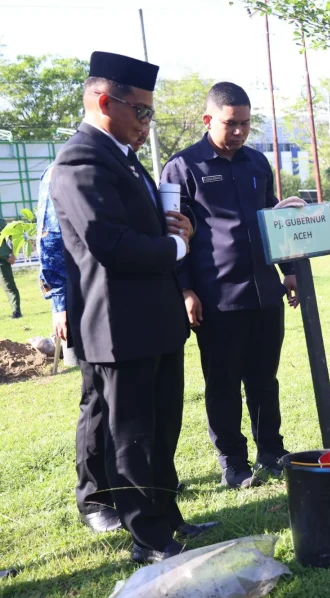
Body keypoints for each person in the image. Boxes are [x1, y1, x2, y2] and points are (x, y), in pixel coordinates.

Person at [50, 51, 214, 564]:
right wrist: (176, 249)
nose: (147, 122)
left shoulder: (122, 156)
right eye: (141, 111)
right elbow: (111, 244)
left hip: (156, 320)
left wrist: (179, 228)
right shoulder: (79, 162)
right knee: (134, 438)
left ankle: (169, 520)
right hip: (120, 328)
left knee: (163, 429)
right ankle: (148, 537)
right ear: (104, 102)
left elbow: (146, 229)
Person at [162, 82, 301, 490]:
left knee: (264, 379)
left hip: (264, 292)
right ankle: (233, 463)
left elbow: (275, 219)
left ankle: (272, 451)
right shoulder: (182, 168)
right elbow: (172, 236)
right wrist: (185, 289)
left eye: (245, 123)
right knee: (222, 383)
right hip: (215, 297)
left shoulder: (258, 164)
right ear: (209, 120)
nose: (239, 131)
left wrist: (288, 268)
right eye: (230, 123)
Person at [38, 126, 162, 534]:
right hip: (84, 305)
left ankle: (123, 493)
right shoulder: (69, 167)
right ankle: (93, 496)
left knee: (110, 404)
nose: (143, 127)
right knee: (96, 405)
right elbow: (51, 240)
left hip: (123, 308)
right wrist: (59, 302)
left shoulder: (126, 163)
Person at [0, 219, 20, 318]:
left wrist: (13, 254)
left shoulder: (1, 223)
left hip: (1, 260)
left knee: (9, 287)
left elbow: (14, 237)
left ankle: (16, 312)